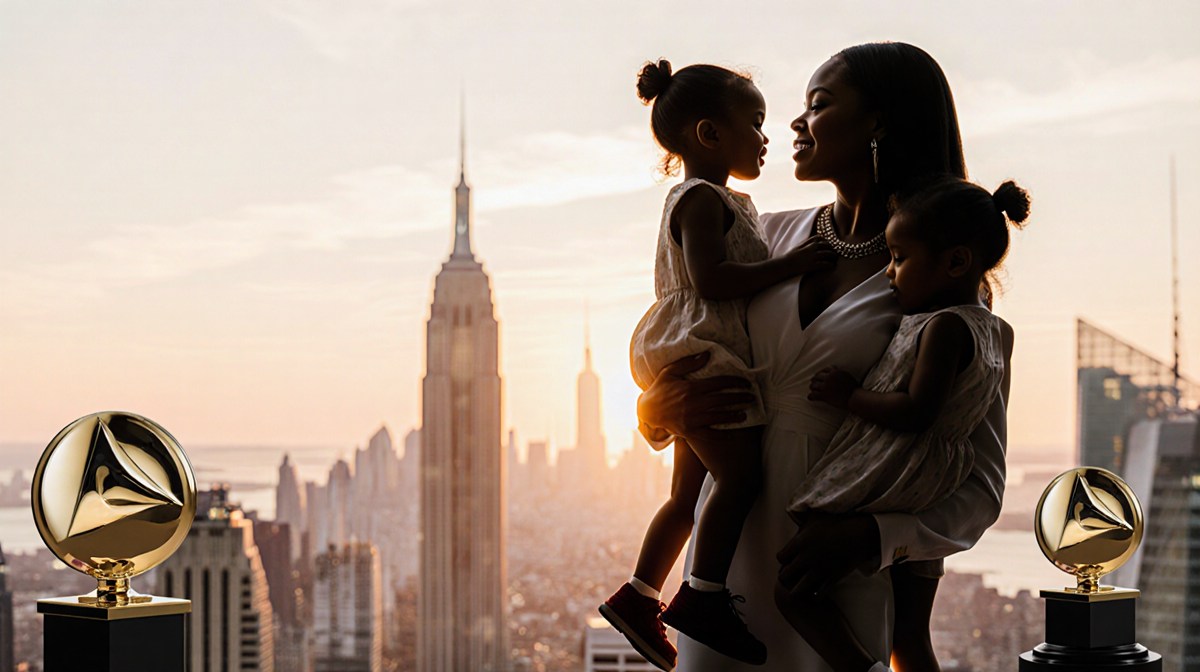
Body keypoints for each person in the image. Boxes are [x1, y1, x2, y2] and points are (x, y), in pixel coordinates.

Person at [635, 42, 1013, 672]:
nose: (793, 123)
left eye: (819, 104)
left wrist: (874, 537)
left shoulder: (941, 285)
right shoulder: (760, 236)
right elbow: (689, 345)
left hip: (831, 587)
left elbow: (978, 483)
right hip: (718, 587)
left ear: (879, 123)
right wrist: (655, 408)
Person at [599, 59, 836, 670]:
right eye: (754, 124)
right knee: (738, 480)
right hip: (705, 352)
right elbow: (712, 279)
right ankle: (702, 595)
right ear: (709, 135)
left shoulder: (725, 201)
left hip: (698, 349)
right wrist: (791, 265)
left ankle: (640, 595)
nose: (766, 136)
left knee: (689, 493)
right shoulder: (703, 199)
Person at [782, 176, 1027, 672]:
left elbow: (916, 412)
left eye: (899, 258)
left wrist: (849, 395)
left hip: (892, 472)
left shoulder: (943, 327)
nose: (889, 273)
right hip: (928, 486)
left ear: (955, 262)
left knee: (790, 590)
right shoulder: (990, 331)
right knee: (911, 637)